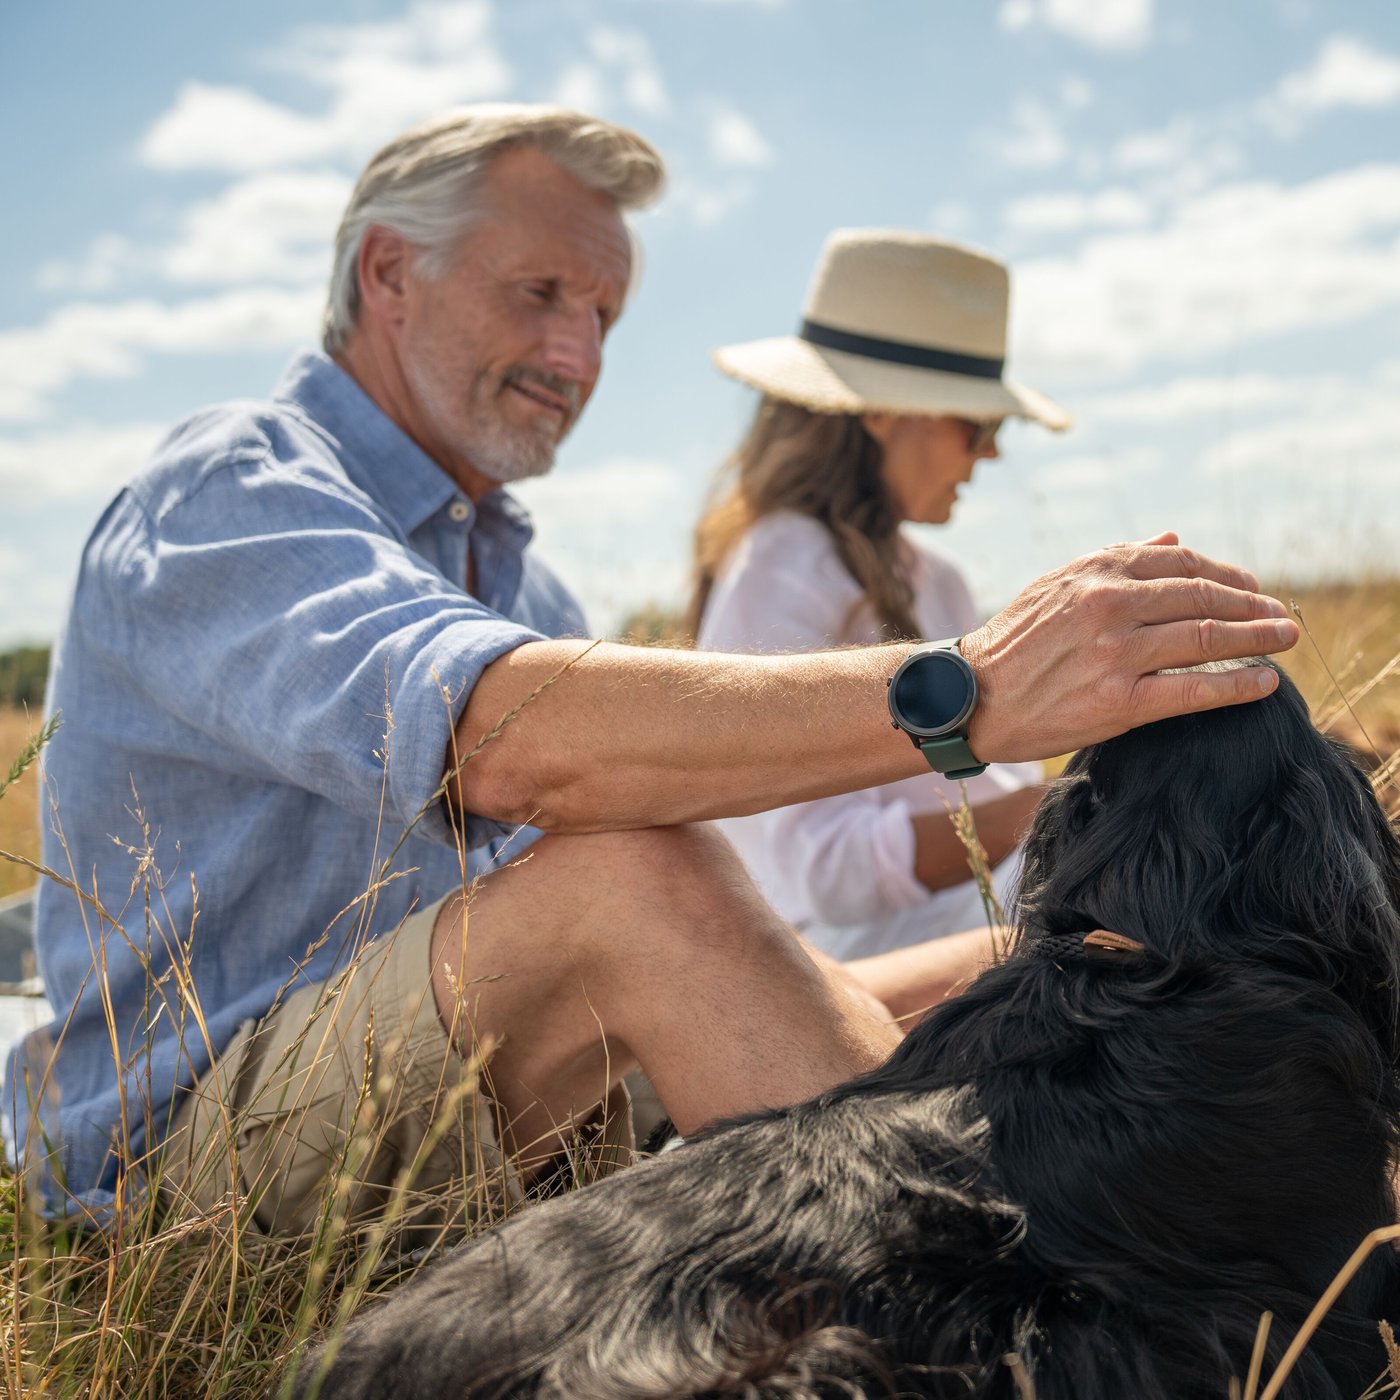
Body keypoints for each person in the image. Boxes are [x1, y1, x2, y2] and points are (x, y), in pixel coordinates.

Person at [6, 104, 1298, 1237]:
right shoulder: (233, 485)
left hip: (475, 1115)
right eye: (541, 294)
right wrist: (974, 692)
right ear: (387, 272)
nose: (581, 358)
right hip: (181, 1171)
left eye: (605, 314)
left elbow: (712, 924)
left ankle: (1243, 1218)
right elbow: (506, 743)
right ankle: (1035, 1305)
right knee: (636, 875)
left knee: (1033, 958)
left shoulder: (525, 586)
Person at [692, 230, 1060, 963]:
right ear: (882, 410)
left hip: (951, 915)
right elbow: (818, 872)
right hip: (832, 958)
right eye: (976, 422)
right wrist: (1062, 815)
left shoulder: (937, 578)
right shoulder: (783, 564)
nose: (989, 452)